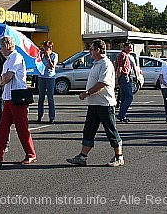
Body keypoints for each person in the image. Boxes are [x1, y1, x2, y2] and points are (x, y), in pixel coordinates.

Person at [66, 39, 124, 167]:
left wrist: (87, 93)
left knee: (111, 131)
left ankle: (119, 156)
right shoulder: (97, 64)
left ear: (98, 49)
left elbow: (102, 83)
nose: (89, 52)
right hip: (94, 104)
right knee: (89, 130)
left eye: (91, 49)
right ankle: (82, 156)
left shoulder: (106, 64)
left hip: (104, 104)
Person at [0, 36, 37, 165]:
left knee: (22, 128)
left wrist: (0, 81)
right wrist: (1, 81)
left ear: (7, 46)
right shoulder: (8, 60)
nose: (0, 50)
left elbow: (7, 77)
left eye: (1, 47)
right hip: (8, 97)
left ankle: (31, 154)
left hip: (17, 97)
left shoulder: (15, 57)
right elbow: (4, 77)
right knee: (2, 127)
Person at [37, 40, 58, 124]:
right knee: (41, 97)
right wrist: (40, 56)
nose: (45, 50)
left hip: (50, 77)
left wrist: (48, 58)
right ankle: (39, 115)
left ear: (50, 48)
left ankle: (52, 117)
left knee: (50, 98)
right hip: (41, 77)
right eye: (44, 48)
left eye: (47, 48)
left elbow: (52, 66)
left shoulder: (54, 55)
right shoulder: (41, 55)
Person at [114, 42, 135, 122]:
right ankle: (121, 114)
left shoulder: (126, 55)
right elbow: (119, 68)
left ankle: (122, 115)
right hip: (124, 77)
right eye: (129, 47)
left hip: (125, 77)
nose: (131, 49)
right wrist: (117, 79)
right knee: (129, 97)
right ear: (125, 47)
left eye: (131, 47)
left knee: (123, 97)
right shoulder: (123, 55)